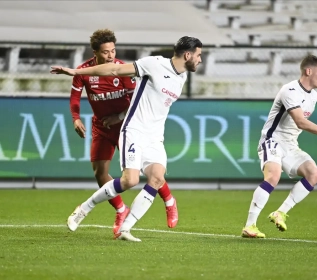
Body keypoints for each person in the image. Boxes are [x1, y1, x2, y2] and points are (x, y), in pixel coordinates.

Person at [51, 36, 203, 242]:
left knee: (157, 178)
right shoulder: (154, 64)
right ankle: (84, 208)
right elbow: (113, 69)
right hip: (134, 130)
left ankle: (125, 229)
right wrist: (76, 72)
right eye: (199, 55)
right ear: (188, 55)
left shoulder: (182, 76)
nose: (200, 60)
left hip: (155, 136)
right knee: (129, 180)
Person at [68, 29, 179, 235]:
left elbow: (136, 102)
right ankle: (121, 210)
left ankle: (169, 200)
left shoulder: (123, 70)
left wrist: (118, 117)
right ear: (95, 52)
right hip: (101, 127)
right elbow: (75, 98)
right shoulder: (83, 72)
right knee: (100, 173)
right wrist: (75, 118)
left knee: (148, 171)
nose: (110, 55)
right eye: (105, 52)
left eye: (113, 50)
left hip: (127, 126)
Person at [241, 55, 317, 238]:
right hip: (272, 139)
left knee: (313, 174)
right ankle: (250, 225)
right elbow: (300, 122)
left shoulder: (313, 96)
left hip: (291, 145)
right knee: (273, 176)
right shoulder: (289, 90)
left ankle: (280, 212)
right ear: (309, 71)